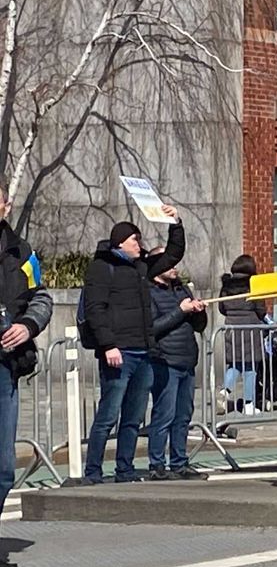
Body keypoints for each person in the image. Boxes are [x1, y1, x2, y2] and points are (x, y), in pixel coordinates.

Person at [82, 207, 185, 483]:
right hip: (118, 352)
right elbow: (95, 310)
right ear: (120, 243)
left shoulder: (142, 267)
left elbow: (173, 254)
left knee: (133, 418)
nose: (139, 245)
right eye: (134, 240)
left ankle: (124, 470)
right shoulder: (102, 268)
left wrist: (174, 222)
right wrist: (108, 345)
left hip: (143, 352)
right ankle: (92, 472)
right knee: (107, 416)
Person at [0, 184, 52, 567]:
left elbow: (42, 297)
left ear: (7, 205)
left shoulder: (22, 251)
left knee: (3, 467)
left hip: (5, 368)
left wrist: (28, 326)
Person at [147, 249, 208, 480]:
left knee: (184, 415)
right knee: (165, 413)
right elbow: (153, 327)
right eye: (168, 262)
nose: (174, 266)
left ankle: (180, 461)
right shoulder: (150, 292)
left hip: (186, 358)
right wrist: (180, 311)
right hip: (165, 359)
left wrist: (199, 312)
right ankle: (156, 464)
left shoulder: (182, 288)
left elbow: (198, 326)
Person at [218, 255, 267, 416]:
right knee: (251, 368)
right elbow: (261, 310)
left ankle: (225, 391)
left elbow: (221, 307)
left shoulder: (226, 285)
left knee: (235, 364)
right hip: (251, 330)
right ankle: (248, 404)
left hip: (231, 328)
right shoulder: (254, 284)